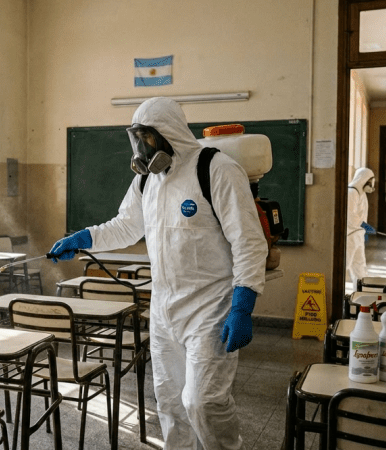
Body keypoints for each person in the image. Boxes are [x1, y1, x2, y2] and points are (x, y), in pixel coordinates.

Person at [49, 97, 267, 449]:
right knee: (169, 402)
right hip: (164, 310)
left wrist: (243, 305)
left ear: (170, 135)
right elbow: (125, 226)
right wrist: (85, 237)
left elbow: (249, 242)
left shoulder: (215, 170)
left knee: (203, 402)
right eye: (137, 139)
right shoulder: (146, 182)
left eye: (148, 139)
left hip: (211, 309)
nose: (142, 148)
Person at [347, 167, 376, 288]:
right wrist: (363, 225)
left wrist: (363, 229)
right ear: (362, 180)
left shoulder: (362, 194)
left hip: (358, 235)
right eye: (369, 182)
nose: (371, 186)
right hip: (349, 236)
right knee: (345, 265)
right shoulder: (351, 192)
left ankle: (359, 294)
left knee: (360, 267)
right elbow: (349, 215)